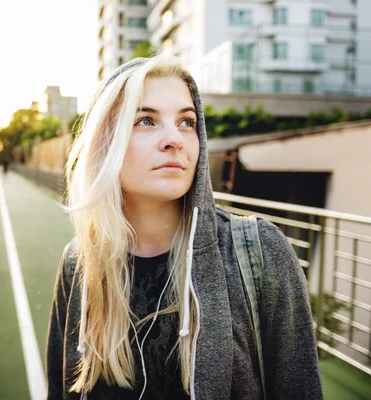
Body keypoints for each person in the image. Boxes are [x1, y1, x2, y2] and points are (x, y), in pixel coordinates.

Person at [46, 52, 322, 400]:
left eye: (186, 122)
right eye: (146, 120)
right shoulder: (78, 263)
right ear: (105, 142)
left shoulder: (260, 253)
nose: (174, 139)